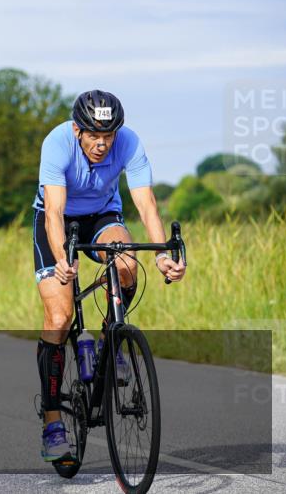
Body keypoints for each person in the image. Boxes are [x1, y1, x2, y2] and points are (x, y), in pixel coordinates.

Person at [33, 90, 187, 462]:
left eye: (108, 136)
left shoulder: (129, 142)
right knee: (59, 317)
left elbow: (146, 203)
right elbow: (54, 211)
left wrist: (162, 253)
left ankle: (107, 339)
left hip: (103, 217)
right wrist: (61, 259)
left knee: (127, 263)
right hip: (57, 220)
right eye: (93, 136)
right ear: (77, 130)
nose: (102, 145)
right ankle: (53, 423)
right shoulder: (56, 143)